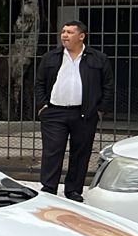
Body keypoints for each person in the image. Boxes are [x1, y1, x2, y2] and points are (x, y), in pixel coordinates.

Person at [34, 19, 114, 202]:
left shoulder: (98, 58)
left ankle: (73, 190)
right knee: (52, 151)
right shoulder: (51, 57)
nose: (64, 35)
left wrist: (100, 109)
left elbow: (108, 86)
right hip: (54, 112)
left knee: (80, 152)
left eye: (70, 32)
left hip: (84, 113)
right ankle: (48, 188)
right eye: (63, 31)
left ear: (81, 36)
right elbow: (39, 83)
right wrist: (43, 105)